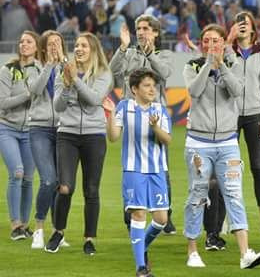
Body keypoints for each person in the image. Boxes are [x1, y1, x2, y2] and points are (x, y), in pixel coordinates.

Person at [182, 24, 260, 269]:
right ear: (201, 44)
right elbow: (194, 91)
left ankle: (245, 254)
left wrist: (222, 65)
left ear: (223, 43)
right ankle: (193, 251)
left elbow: (238, 90)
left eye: (216, 41)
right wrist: (209, 63)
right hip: (198, 142)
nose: (211, 45)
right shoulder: (192, 66)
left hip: (228, 142)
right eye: (206, 41)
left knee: (234, 195)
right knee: (197, 195)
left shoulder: (234, 64)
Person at [46, 32, 113, 254]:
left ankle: (89, 239)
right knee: (65, 187)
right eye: (76, 45)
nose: (79, 49)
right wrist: (66, 85)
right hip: (67, 134)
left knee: (91, 189)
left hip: (94, 136)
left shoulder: (104, 73)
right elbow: (58, 107)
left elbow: (94, 99)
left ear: (93, 50)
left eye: (84, 45)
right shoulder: (61, 71)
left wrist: (74, 79)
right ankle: (58, 231)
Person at [109, 15, 176, 234]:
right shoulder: (128, 53)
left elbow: (164, 73)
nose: (141, 32)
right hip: (131, 115)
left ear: (156, 32)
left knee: (161, 165)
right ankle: (131, 212)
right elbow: (111, 71)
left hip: (157, 114)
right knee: (131, 164)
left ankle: (165, 212)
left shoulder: (163, 55)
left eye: (146, 28)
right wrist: (123, 46)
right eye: (138, 28)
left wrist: (148, 54)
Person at [106, 69, 171, 277]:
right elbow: (114, 137)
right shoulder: (124, 107)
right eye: (147, 85)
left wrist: (155, 127)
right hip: (134, 169)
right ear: (134, 89)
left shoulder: (160, 110)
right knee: (139, 213)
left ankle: (140, 246)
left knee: (161, 219)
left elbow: (167, 140)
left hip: (157, 170)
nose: (152, 89)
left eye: (154, 85)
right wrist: (109, 116)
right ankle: (141, 267)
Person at [227, 11, 260, 233]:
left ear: (253, 28)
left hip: (255, 116)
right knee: (227, 170)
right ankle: (225, 220)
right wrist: (228, 42)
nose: (242, 27)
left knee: (258, 168)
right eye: (239, 24)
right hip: (230, 116)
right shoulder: (229, 50)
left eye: (246, 23)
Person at [26, 31, 66, 249]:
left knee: (60, 183)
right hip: (39, 129)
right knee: (48, 180)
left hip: (62, 129)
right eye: (50, 44)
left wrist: (63, 63)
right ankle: (39, 228)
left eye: (57, 43)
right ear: (43, 47)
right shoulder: (33, 67)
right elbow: (36, 89)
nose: (54, 47)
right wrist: (50, 65)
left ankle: (57, 232)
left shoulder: (67, 66)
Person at [0, 31, 39, 241]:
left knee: (28, 179)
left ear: (36, 46)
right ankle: (15, 224)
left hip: (32, 130)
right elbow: (2, 103)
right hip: (7, 128)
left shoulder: (41, 70)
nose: (23, 44)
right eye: (21, 41)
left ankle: (24, 224)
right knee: (17, 172)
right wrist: (27, 95)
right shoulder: (7, 70)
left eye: (28, 41)